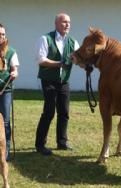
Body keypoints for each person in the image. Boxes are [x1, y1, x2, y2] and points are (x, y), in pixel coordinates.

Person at [35, 13, 79, 156]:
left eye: (69, 22)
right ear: (56, 24)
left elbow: (78, 59)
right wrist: (60, 64)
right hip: (48, 80)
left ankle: (62, 142)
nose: (67, 25)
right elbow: (41, 60)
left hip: (63, 81)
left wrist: (87, 66)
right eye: (64, 22)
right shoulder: (45, 39)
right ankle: (40, 144)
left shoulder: (73, 42)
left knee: (64, 112)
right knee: (49, 112)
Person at [0, 23, 19, 161]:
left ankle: (5, 150)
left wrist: (14, 73)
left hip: (5, 90)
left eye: (3, 34)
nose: (1, 37)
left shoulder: (11, 51)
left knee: (5, 121)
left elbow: (15, 69)